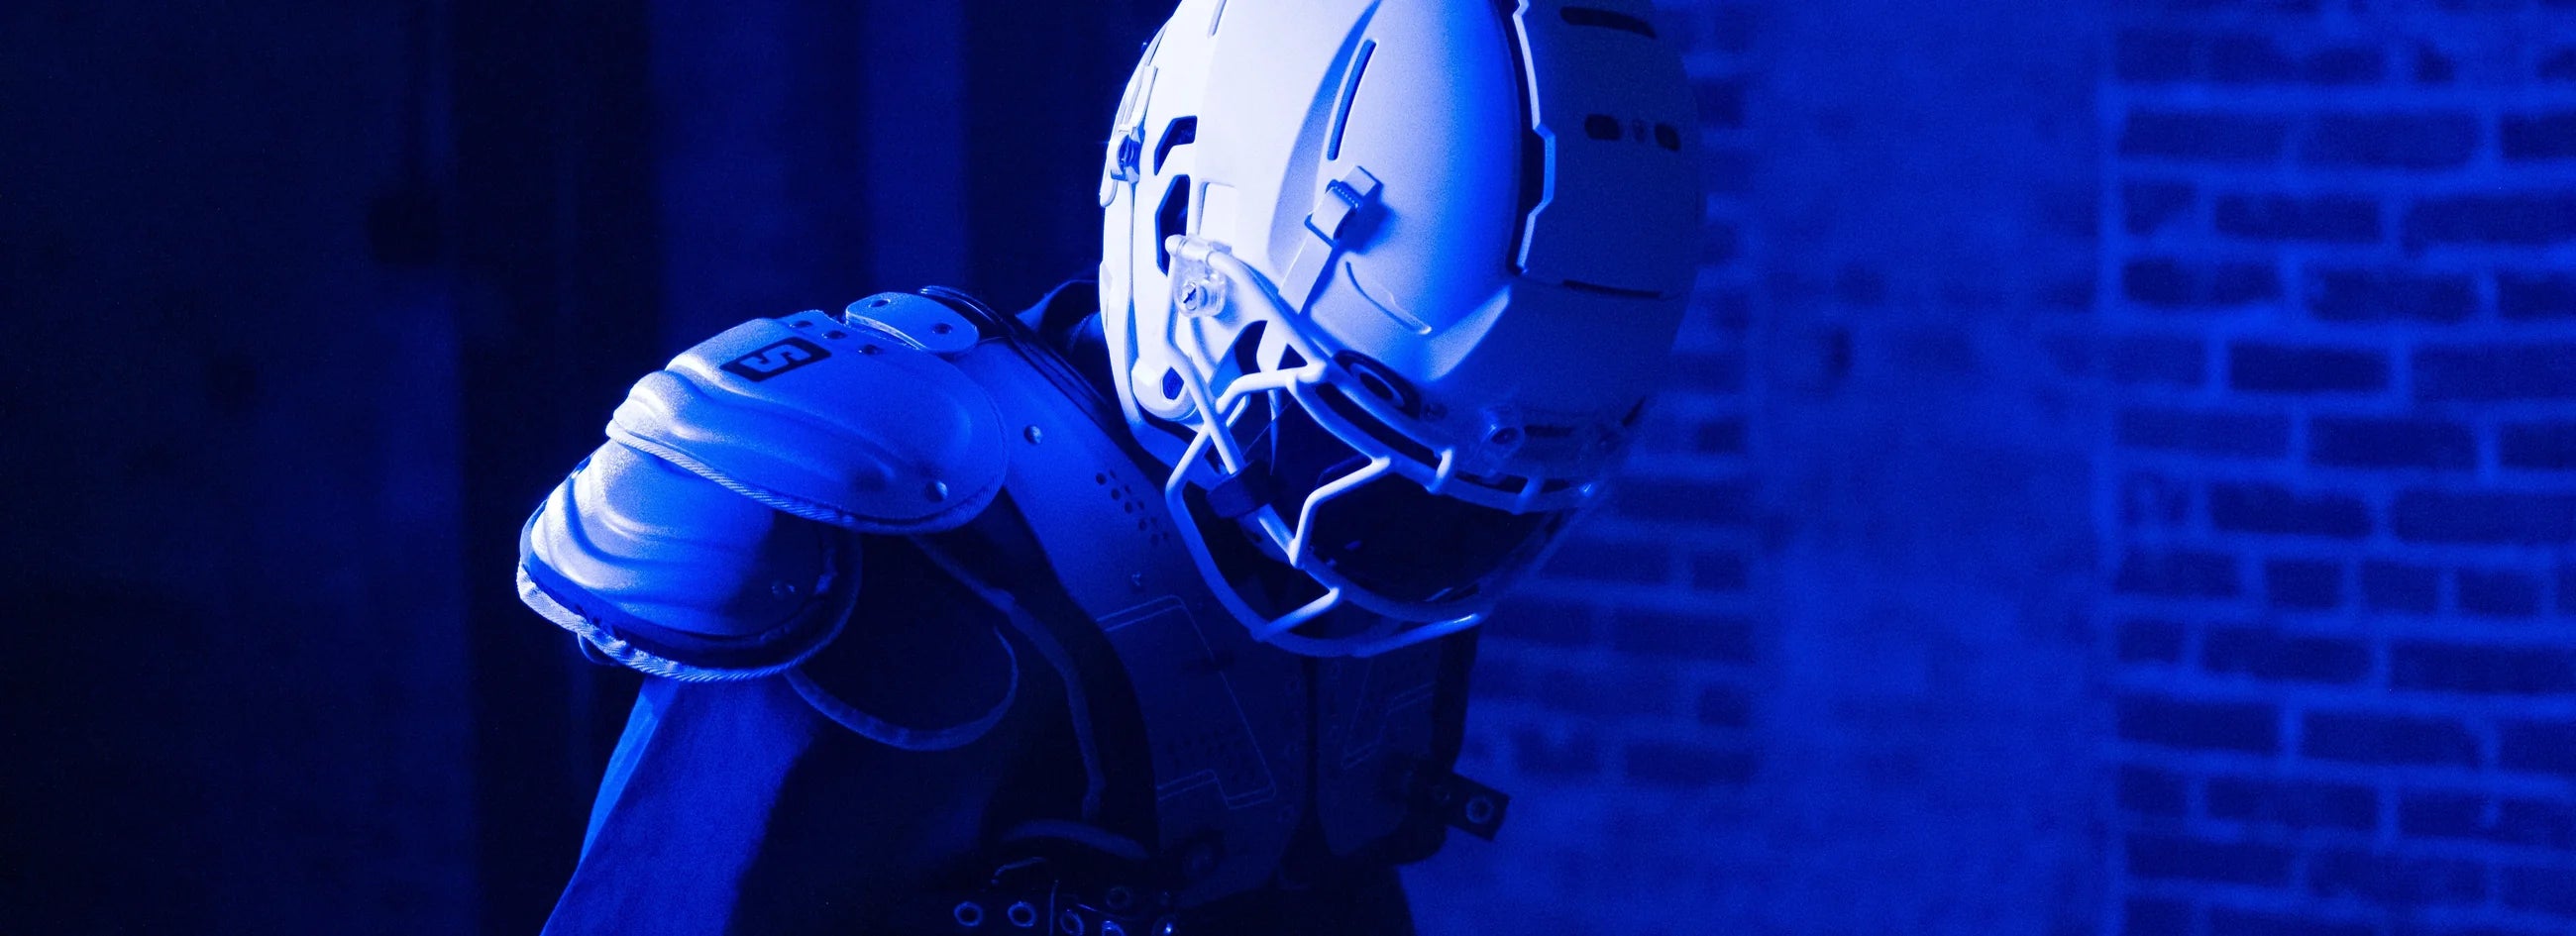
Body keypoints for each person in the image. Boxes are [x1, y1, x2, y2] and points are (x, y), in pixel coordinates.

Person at [512, 0, 1698, 931]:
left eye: (1479, 504)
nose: (1405, 547)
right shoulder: (899, 552)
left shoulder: (1413, 514)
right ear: (1180, 228)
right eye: (1353, 427)